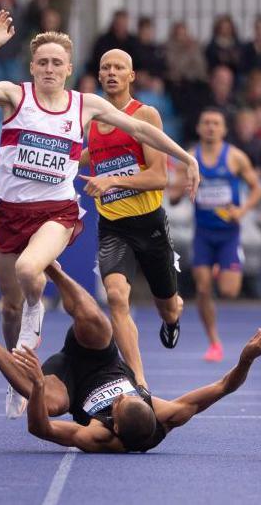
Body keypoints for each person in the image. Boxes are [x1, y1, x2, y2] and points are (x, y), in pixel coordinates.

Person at [0, 10, 199, 417]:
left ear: (69, 68)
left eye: (57, 62)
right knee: (9, 308)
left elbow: (140, 130)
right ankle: (17, 369)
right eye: (42, 62)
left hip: (57, 212)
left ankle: (37, 313)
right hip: (11, 213)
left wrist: (185, 156)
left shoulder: (85, 105)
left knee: (31, 271)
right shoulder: (17, 96)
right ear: (33, 67)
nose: (49, 68)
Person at [0, 263, 261, 453]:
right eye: (129, 394)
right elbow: (224, 387)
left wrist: (36, 386)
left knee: (48, 402)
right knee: (97, 323)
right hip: (100, 359)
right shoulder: (164, 415)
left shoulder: (98, 437)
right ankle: (52, 268)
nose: (122, 394)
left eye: (119, 402)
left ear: (115, 425)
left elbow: (40, 428)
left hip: (69, 381)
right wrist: (247, 359)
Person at [79, 49, 181, 390]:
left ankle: (171, 318)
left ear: (131, 76)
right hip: (113, 227)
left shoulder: (145, 115)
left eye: (118, 67)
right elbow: (93, 155)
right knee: (116, 297)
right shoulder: (93, 120)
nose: (111, 72)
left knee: (169, 307)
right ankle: (138, 379)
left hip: (149, 223)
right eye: (105, 66)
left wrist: (112, 180)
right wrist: (54, 162)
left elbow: (158, 177)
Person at [190, 107, 261, 362]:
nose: (211, 127)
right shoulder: (191, 157)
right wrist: (183, 188)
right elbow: (176, 196)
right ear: (199, 128)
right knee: (202, 289)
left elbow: (257, 189)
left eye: (216, 123)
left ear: (224, 129)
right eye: (206, 123)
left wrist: (242, 210)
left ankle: (222, 267)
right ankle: (214, 342)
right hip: (203, 234)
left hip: (229, 234)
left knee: (230, 291)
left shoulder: (235, 157)